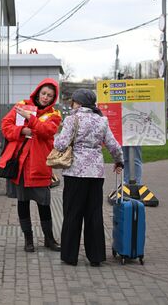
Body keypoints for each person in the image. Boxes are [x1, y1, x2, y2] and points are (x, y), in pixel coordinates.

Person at [54, 89, 123, 267]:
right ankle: (96, 256)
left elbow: (60, 144)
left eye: (74, 101)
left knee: (72, 213)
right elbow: (113, 145)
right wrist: (119, 161)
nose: (72, 104)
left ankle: (70, 256)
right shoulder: (102, 120)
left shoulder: (72, 119)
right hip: (96, 174)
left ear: (78, 103)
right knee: (94, 214)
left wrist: (60, 137)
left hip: (75, 173)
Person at [0, 78, 62, 253]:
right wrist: (22, 131)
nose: (45, 97)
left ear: (53, 98)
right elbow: (6, 126)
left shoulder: (55, 115)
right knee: (22, 202)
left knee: (44, 204)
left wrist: (30, 120)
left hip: (39, 165)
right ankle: (28, 240)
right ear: (37, 92)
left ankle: (49, 239)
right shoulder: (21, 105)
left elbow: (47, 131)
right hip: (19, 165)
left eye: (50, 95)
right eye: (43, 93)